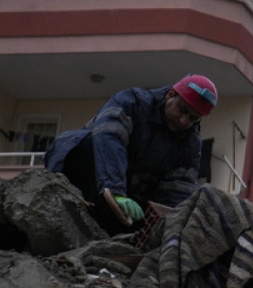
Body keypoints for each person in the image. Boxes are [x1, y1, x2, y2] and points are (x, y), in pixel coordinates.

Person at [45, 75, 218, 234]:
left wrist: (163, 226)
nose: (184, 121)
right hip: (84, 173)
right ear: (170, 94)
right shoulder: (132, 102)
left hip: (130, 194)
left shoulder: (190, 144)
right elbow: (109, 139)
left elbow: (178, 190)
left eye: (193, 118)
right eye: (183, 110)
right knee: (90, 144)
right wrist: (115, 191)